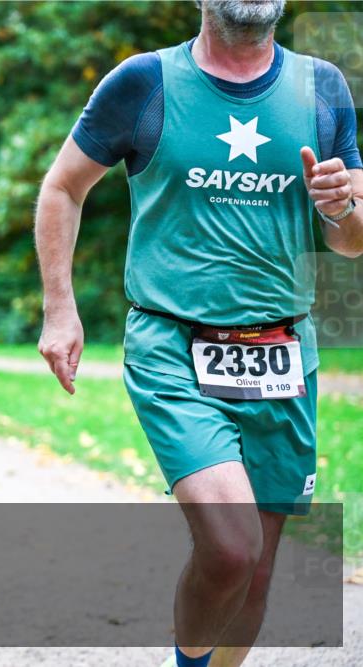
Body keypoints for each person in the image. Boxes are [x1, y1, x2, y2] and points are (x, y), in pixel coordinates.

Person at [34, 2, 362, 666]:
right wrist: (60, 308)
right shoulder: (145, 83)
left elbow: (351, 242)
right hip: (173, 346)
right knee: (231, 546)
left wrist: (344, 207)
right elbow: (63, 188)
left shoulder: (323, 87)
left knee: (258, 573)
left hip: (284, 353)